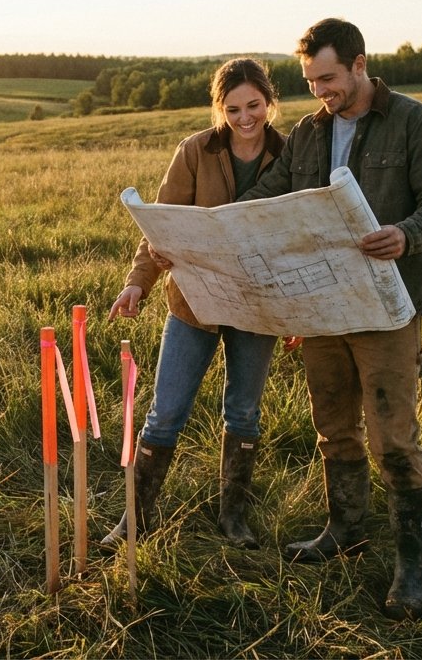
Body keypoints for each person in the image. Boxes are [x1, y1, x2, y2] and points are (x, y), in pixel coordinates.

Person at [237, 18, 422, 619]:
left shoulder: (415, 121)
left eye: (329, 78)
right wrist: (222, 224)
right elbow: (276, 192)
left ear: (361, 64)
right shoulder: (311, 132)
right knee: (334, 426)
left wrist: (405, 235)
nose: (320, 92)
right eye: (311, 81)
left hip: (387, 306)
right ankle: (347, 530)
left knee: (394, 438)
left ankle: (410, 567)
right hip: (321, 306)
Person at [103, 58, 286, 550]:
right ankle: (134, 520)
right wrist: (137, 283)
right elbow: (159, 225)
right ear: (218, 108)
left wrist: (299, 312)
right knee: (165, 412)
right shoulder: (195, 151)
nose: (245, 118)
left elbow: (301, 238)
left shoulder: (291, 154)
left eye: (253, 106)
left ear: (269, 101)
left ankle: (234, 520)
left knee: (243, 414)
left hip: (257, 304)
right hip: (193, 301)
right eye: (232, 109)